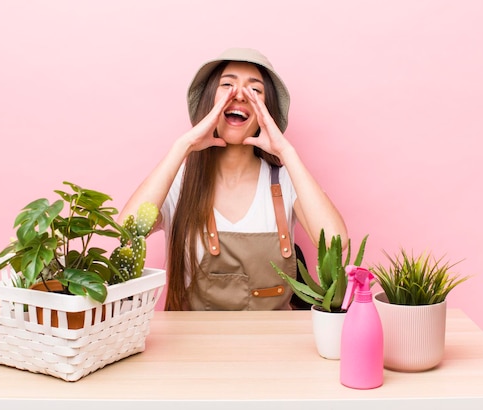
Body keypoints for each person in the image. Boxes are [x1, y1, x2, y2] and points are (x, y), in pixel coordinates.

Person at [118, 48, 347, 311]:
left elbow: (335, 244)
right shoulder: (180, 182)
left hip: (274, 346)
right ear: (208, 101)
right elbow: (125, 232)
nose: (239, 94)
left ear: (266, 111)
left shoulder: (285, 182)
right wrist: (183, 145)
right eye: (227, 85)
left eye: (255, 91)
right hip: (191, 347)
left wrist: (286, 152)